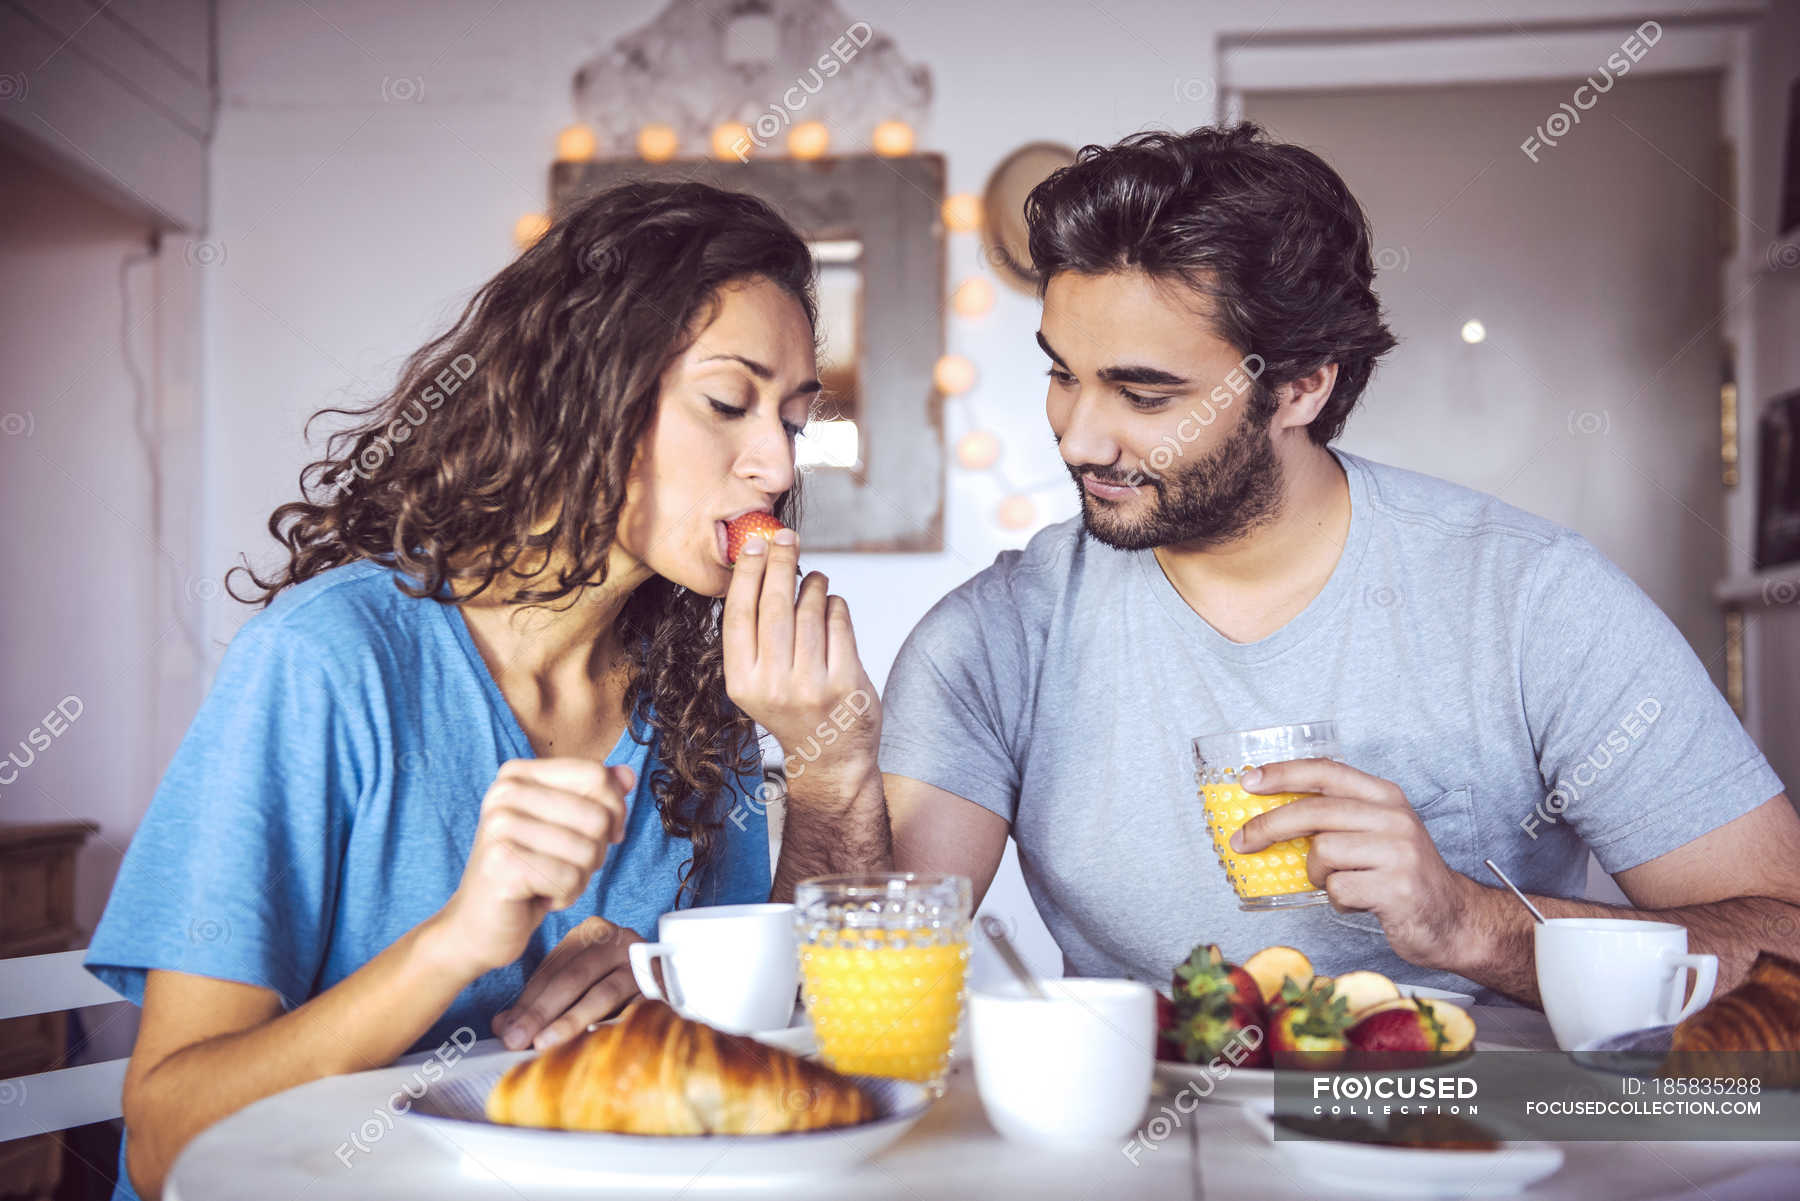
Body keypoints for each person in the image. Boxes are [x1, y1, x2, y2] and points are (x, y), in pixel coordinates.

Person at [767, 123, 1800, 1007]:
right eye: (1062, 375)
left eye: (1146, 393)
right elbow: (848, 992)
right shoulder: (993, 639)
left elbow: (1787, 943)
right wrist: (822, 775)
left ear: (1301, 385)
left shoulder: (1534, 600)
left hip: (1476, 1152)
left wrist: (1476, 924)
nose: (1080, 437)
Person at [85, 180, 875, 1201]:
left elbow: (800, 1055)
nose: (774, 462)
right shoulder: (328, 660)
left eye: (795, 419)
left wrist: (830, 773)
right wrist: (454, 944)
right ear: (584, 386)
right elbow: (162, 1142)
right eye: (729, 402)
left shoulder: (696, 698)